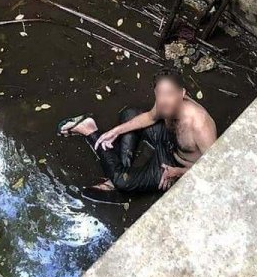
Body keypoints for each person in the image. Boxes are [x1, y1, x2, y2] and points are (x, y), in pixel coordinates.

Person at [57, 67, 217, 195]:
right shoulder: (163, 103)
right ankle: (120, 171)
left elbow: (213, 170)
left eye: (169, 94)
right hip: (167, 140)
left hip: (176, 166)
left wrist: (179, 172)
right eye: (160, 94)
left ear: (182, 94)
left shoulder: (200, 124)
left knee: (122, 182)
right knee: (129, 114)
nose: (164, 100)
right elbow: (150, 117)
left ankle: (90, 132)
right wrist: (116, 131)